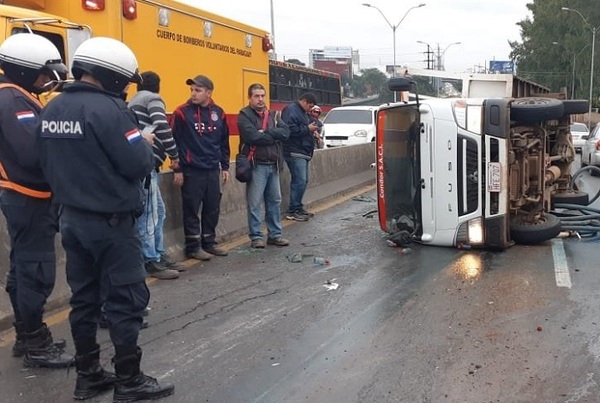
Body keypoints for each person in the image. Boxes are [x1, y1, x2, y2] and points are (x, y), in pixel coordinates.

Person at [39, 37, 174, 401]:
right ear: (111, 76)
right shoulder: (111, 111)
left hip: (71, 221)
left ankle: (89, 376)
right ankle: (129, 380)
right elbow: (137, 164)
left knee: (84, 301)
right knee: (125, 300)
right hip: (111, 225)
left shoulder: (51, 110)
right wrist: (148, 147)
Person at [0, 33, 73, 368]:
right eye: (44, 74)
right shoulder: (13, 100)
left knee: (23, 269)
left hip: (23, 198)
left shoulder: (17, 95)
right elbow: (33, 152)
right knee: (35, 271)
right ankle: (34, 343)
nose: (47, 81)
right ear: (26, 70)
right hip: (28, 198)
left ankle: (26, 334)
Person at [128, 71, 184, 280]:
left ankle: (159, 254)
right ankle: (150, 260)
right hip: (147, 165)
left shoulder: (133, 101)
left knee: (158, 212)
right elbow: (162, 126)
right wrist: (174, 155)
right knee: (150, 216)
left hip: (146, 165)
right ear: (158, 86)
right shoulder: (152, 99)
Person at [170, 74, 230, 259]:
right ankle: (193, 247)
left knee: (212, 207)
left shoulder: (219, 113)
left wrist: (225, 166)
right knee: (191, 208)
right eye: (192, 90)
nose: (193, 94)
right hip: (192, 169)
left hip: (212, 168)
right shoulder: (181, 112)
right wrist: (177, 168)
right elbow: (173, 142)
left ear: (208, 92)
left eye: (198, 90)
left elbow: (223, 142)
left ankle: (209, 242)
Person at [237, 83, 290, 249]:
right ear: (250, 98)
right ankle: (256, 236)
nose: (260, 99)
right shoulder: (244, 115)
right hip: (256, 166)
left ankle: (275, 235)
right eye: (256, 96)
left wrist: (266, 133)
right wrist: (273, 136)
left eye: (262, 96)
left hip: (273, 165)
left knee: (274, 201)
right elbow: (252, 137)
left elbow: (286, 133)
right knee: (255, 203)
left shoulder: (274, 115)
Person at [281, 92, 319, 221]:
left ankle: (298, 207)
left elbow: (304, 127)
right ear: (304, 101)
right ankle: (293, 210)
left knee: (303, 181)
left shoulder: (303, 112)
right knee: (299, 180)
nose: (310, 109)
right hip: (294, 151)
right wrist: (307, 129)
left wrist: (313, 131)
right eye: (310, 106)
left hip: (303, 151)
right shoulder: (291, 110)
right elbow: (289, 130)